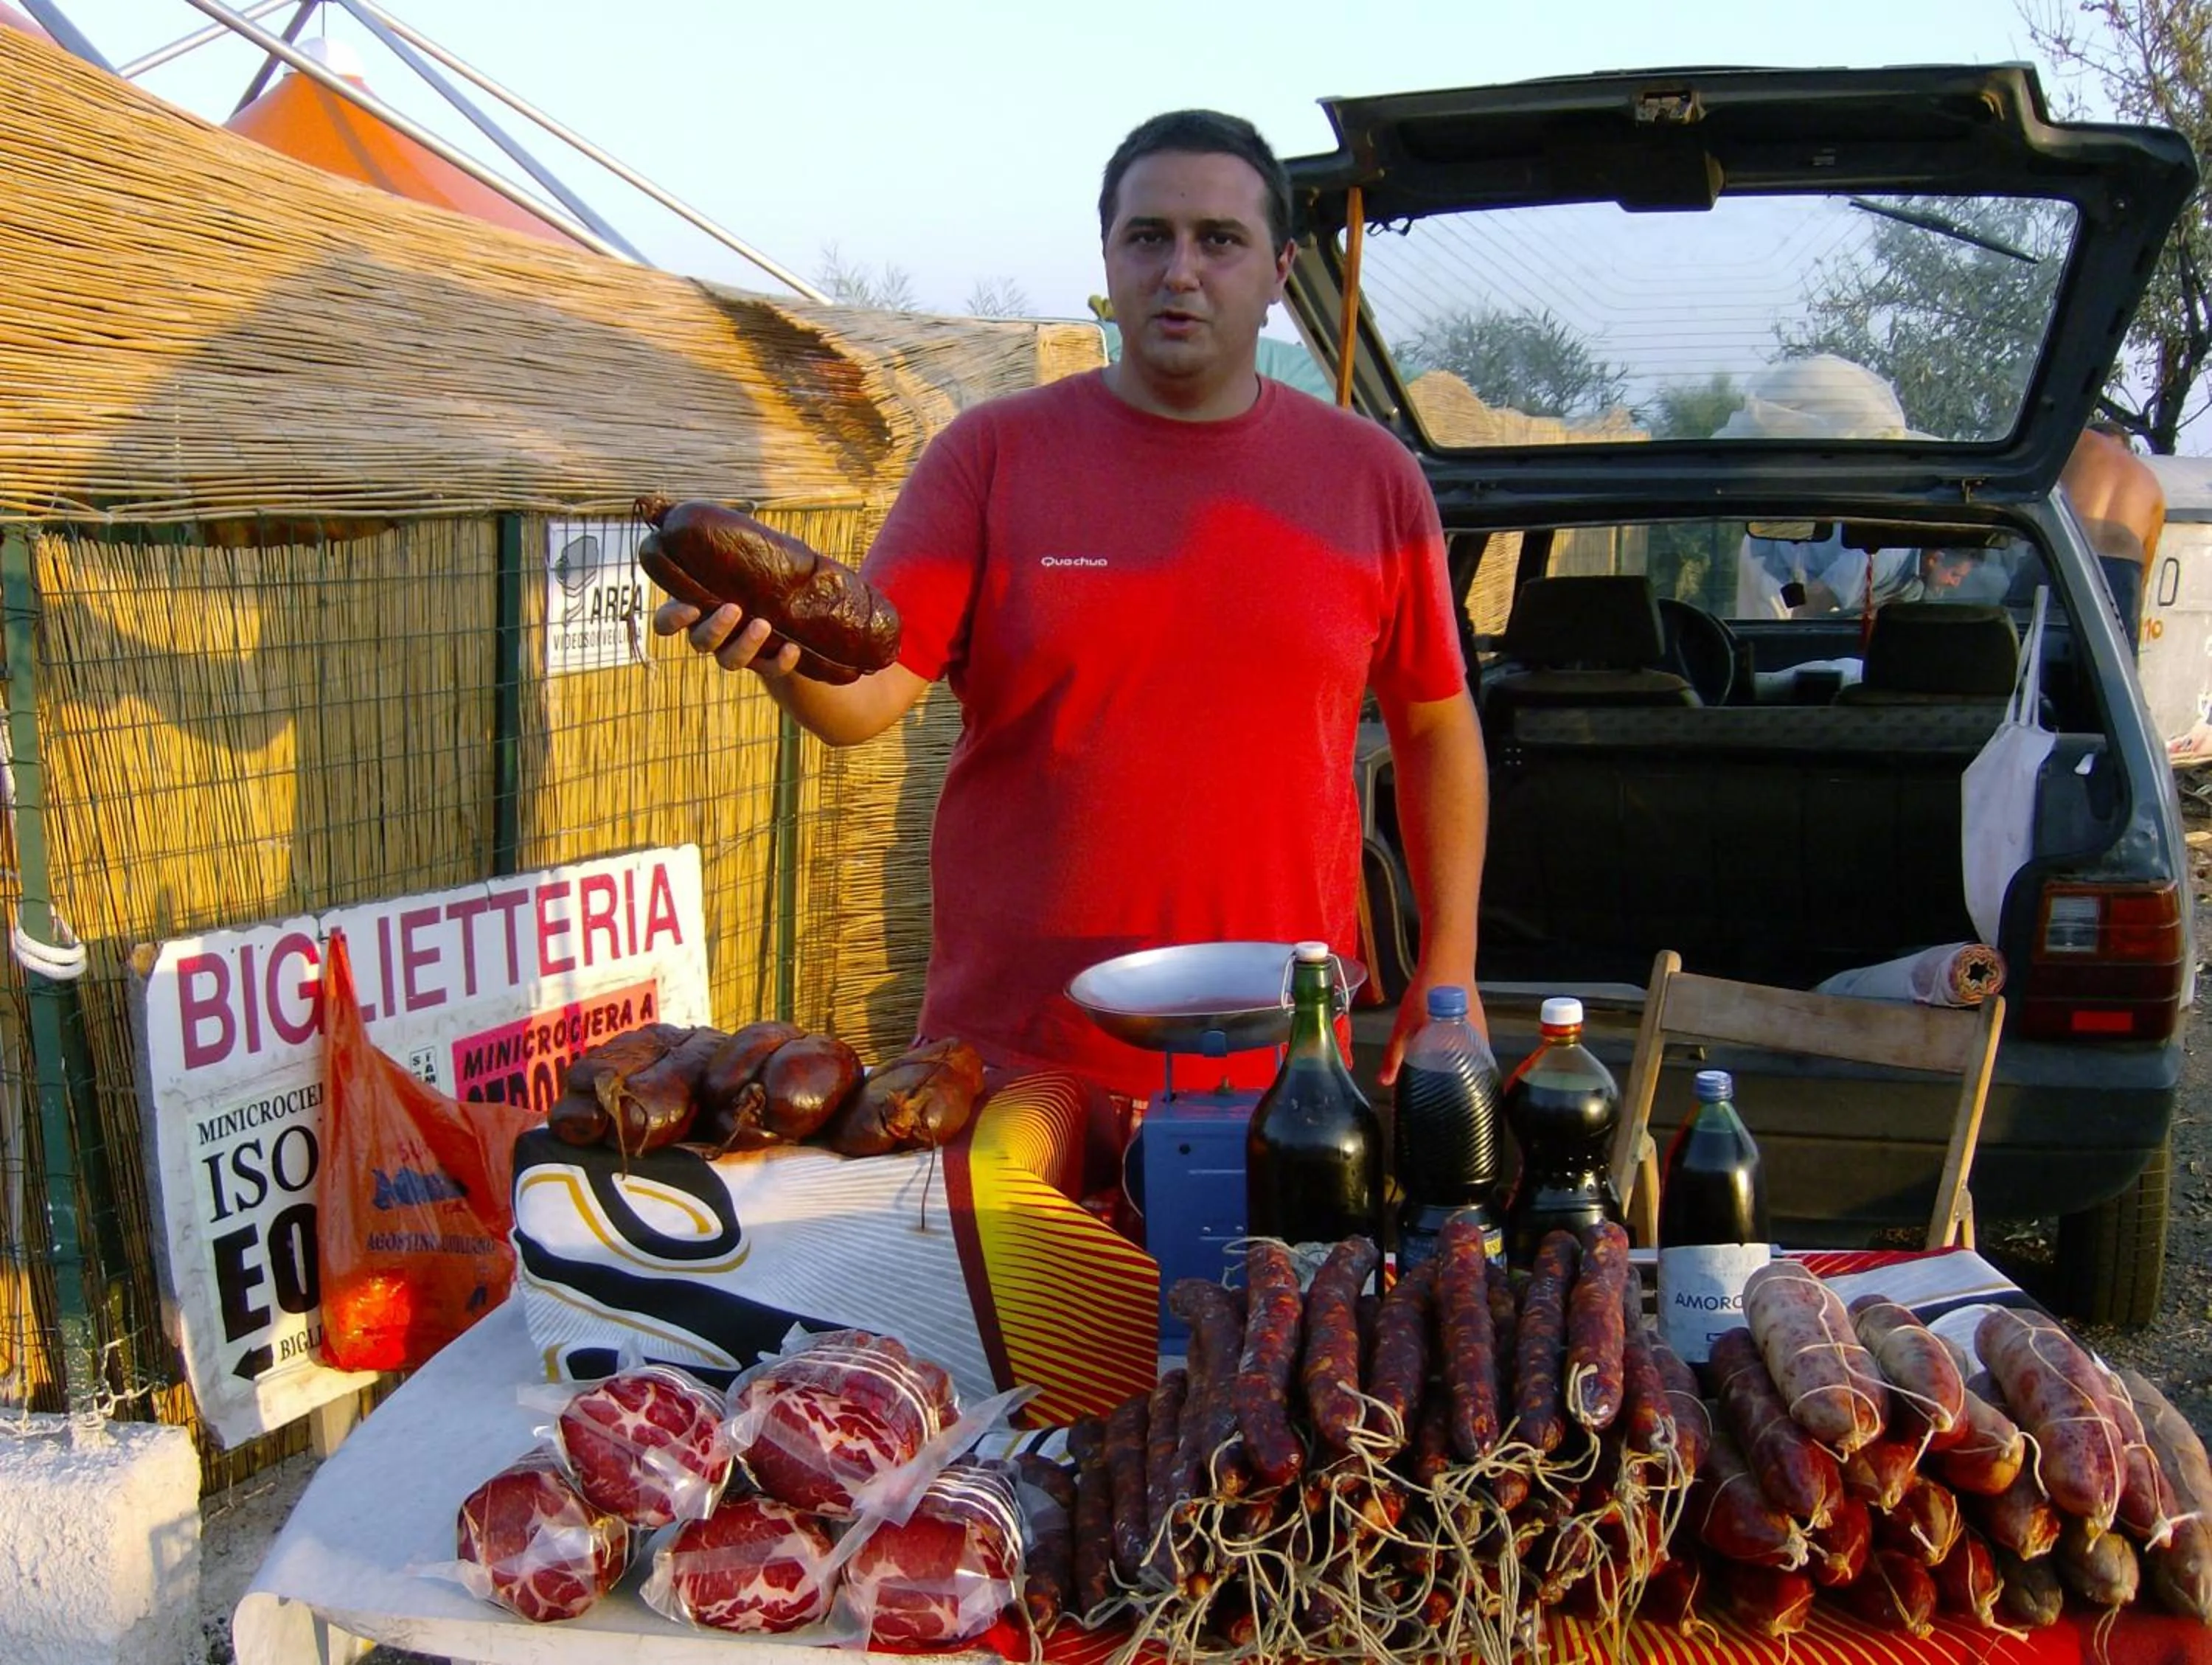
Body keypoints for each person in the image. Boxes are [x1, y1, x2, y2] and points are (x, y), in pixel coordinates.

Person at [652, 109, 1486, 1108]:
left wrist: (1451, 972)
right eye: (1149, 237)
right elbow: (866, 696)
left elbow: (1435, 724)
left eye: (1219, 241)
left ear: (1278, 273)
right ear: (1108, 257)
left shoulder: (1370, 482)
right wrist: (780, 651)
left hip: (1275, 1064)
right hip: (1008, 1062)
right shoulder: (992, 455)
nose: (1181, 269)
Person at [2061, 420, 2165, 639]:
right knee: (2116, 655)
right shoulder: (2152, 484)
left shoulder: (2080, 444)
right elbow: (2146, 568)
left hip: (2065, 556)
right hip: (2123, 573)